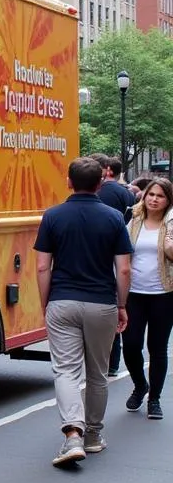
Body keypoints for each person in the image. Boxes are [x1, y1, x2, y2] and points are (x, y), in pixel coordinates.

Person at [34, 156, 132, 466]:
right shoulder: (114, 218)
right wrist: (121, 305)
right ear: (102, 182)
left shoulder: (52, 216)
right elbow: (124, 269)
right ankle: (92, 436)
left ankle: (72, 434)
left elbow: (41, 266)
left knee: (66, 370)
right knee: (98, 373)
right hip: (102, 302)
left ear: (68, 181)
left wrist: (45, 302)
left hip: (63, 300)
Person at [122, 177, 173, 420]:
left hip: (164, 294)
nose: (154, 199)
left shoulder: (171, 223)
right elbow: (120, 252)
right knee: (131, 345)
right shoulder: (133, 219)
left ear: (168, 200)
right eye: (151, 194)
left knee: (157, 348)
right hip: (134, 293)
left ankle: (154, 398)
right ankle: (140, 385)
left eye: (160, 196)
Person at [93, 154, 136, 376]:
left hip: (94, 255)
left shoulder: (94, 193)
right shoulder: (126, 195)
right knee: (111, 309)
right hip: (118, 252)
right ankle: (112, 363)